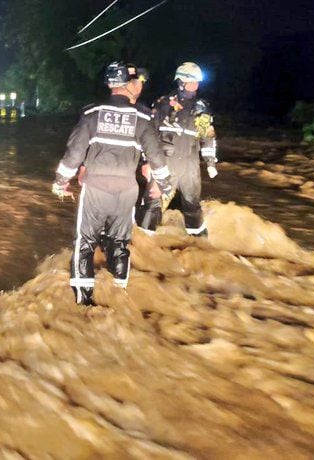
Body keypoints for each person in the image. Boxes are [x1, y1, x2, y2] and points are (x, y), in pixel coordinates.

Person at [52, 62, 174, 306]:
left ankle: (83, 303)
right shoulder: (141, 116)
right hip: (127, 191)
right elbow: (156, 156)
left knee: (85, 243)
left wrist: (60, 181)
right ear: (127, 84)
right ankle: (119, 299)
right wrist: (166, 185)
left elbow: (74, 153)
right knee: (119, 243)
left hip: (96, 189)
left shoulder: (92, 113)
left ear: (108, 83)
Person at [135, 61, 218, 235]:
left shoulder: (201, 107)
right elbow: (148, 135)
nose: (195, 86)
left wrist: (210, 162)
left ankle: (199, 247)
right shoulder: (163, 104)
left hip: (190, 163)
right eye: (191, 81)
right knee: (153, 202)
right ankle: (144, 244)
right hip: (165, 162)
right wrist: (145, 161)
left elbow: (207, 136)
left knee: (192, 204)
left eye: (197, 82)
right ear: (180, 82)